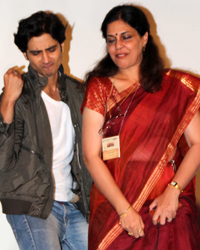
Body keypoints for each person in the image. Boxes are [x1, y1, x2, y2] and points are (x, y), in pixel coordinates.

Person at [81, 4, 200, 250]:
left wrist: (173, 191)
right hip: (116, 208)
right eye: (111, 40)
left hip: (168, 206)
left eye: (126, 37)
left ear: (144, 38)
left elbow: (198, 144)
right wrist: (124, 211)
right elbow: (91, 156)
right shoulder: (100, 87)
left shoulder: (175, 87)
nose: (118, 46)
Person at [0, 11, 92, 250]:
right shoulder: (18, 96)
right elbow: (2, 162)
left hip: (72, 205)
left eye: (51, 49)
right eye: (36, 53)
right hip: (32, 205)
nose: (45, 59)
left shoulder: (78, 92)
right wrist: (7, 102)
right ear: (24, 54)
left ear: (62, 45)